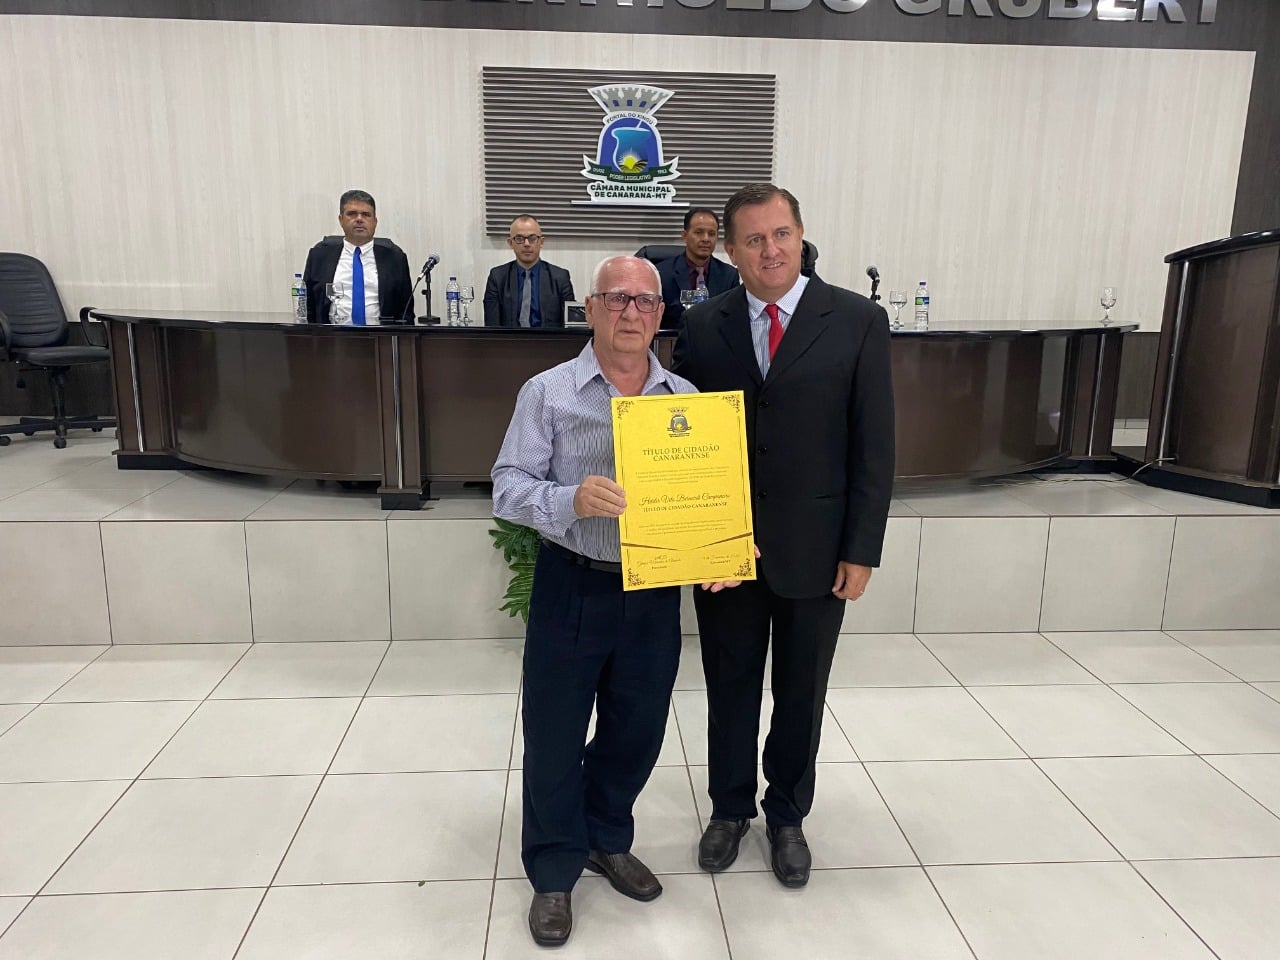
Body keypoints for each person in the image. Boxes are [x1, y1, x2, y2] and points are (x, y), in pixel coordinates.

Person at [672, 184, 895, 889]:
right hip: (727, 550)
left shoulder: (858, 321)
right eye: (754, 239)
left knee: (802, 690)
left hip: (818, 549)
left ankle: (788, 814)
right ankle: (729, 808)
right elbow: (683, 441)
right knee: (729, 684)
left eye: (781, 234)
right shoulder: (702, 325)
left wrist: (861, 549)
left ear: (800, 236)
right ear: (730, 251)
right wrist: (694, 538)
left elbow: (875, 446)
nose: (770, 250)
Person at [492, 255, 697, 947]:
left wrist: (719, 547)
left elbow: (706, 496)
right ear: (590, 308)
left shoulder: (686, 400)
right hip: (572, 581)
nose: (631, 312)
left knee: (637, 729)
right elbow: (506, 486)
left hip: (653, 588)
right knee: (555, 731)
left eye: (645, 301)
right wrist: (567, 500)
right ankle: (554, 870)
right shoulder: (547, 393)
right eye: (617, 299)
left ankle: (607, 838)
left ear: (661, 315)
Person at [302, 190, 415, 325]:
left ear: (375, 222)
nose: (359, 219)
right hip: (331, 335)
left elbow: (406, 313)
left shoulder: (395, 258)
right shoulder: (319, 256)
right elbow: (307, 308)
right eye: (352, 214)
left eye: (366, 215)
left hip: (380, 336)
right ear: (341, 220)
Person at [484, 215, 575, 328]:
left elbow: (570, 326)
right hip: (509, 339)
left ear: (541, 242)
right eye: (519, 238)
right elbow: (492, 326)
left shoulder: (560, 278)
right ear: (510, 243)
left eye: (532, 238)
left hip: (549, 339)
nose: (526, 244)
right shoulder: (497, 277)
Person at [657, 207, 739, 329]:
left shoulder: (729, 276)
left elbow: (733, 320)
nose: (706, 239)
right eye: (698, 232)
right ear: (684, 235)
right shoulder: (662, 274)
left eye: (711, 234)